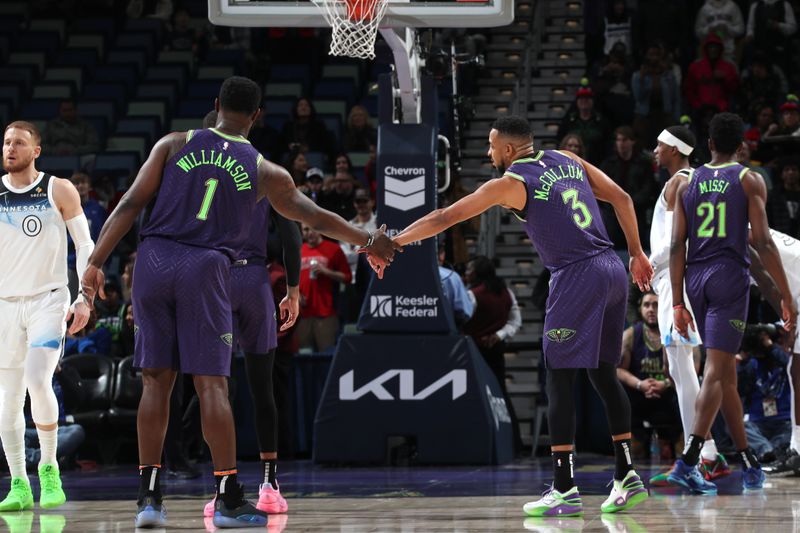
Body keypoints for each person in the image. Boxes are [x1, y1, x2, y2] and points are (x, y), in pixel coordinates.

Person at [79, 76, 398, 528]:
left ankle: (149, 499)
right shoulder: (266, 170)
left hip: (151, 260)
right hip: (206, 267)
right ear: (255, 117)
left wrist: (95, 264)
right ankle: (228, 495)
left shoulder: (173, 143)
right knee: (211, 385)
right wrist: (368, 239)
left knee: (156, 382)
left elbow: (130, 203)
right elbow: (314, 216)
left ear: (215, 106)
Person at [384, 115, 653, 517]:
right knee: (602, 372)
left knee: (558, 376)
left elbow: (446, 218)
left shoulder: (510, 183)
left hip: (576, 272)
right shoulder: (566, 158)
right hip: (613, 268)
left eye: (491, 146)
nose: (488, 152)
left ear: (509, 150)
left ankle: (563, 486)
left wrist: (395, 241)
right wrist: (635, 253)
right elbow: (623, 199)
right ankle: (627, 475)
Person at [669, 111, 797, 494]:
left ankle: (746, 458)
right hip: (729, 278)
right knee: (715, 370)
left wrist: (677, 301)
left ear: (708, 144)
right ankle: (690, 460)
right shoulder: (748, 179)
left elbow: (677, 245)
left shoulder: (686, 181)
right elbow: (761, 242)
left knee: (726, 374)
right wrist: (785, 295)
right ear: (742, 146)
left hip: (695, 278)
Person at [199, 109, 302, 516]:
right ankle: (269, 484)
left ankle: (224, 486)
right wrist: (293, 288)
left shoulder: (193, 171)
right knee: (263, 387)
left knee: (214, 391)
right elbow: (292, 233)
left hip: (212, 281)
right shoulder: (264, 169)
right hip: (254, 280)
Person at [0, 121, 93, 510]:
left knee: (38, 379)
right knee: (6, 401)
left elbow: (85, 244)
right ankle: (19, 483)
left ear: (36, 150)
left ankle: (50, 469)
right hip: (5, 303)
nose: (10, 148)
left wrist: (84, 296)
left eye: (19, 142)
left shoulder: (58, 189)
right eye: (6, 142)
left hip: (49, 300)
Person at [647, 126, 731, 486]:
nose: (655, 150)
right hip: (687, 278)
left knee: (683, 371)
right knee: (684, 372)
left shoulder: (678, 183)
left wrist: (648, 263)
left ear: (676, 150)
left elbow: (677, 240)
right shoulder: (694, 179)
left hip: (675, 279)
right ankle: (708, 453)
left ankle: (697, 459)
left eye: (660, 145)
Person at [748, 228, 800, 475]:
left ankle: (798, 451)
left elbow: (766, 282)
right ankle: (797, 449)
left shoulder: (736, 232)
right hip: (796, 289)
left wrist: (787, 320)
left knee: (797, 372)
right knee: (795, 371)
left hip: (797, 290)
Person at [616, 291, 682, 459]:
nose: (651, 309)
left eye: (656, 305)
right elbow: (618, 369)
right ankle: (635, 450)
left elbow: (692, 369)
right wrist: (640, 384)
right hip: (640, 396)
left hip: (668, 396)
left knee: (684, 398)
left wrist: (665, 384)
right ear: (640, 309)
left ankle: (679, 452)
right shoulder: (630, 335)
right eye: (646, 305)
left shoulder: (676, 333)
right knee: (623, 401)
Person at [297, 224, 351, 352]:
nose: (310, 233)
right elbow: (289, 279)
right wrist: (296, 294)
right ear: (301, 232)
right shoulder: (297, 251)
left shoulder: (334, 249)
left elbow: (347, 277)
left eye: (313, 228)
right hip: (303, 314)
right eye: (306, 229)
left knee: (326, 356)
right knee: (304, 358)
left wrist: (326, 272)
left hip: (326, 314)